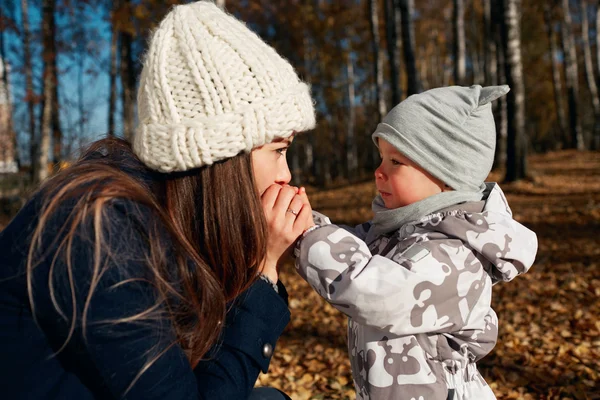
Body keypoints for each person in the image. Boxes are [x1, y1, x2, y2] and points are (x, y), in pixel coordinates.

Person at [0, 2, 316, 399]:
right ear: (224, 156)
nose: (286, 175)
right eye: (278, 150)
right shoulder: (99, 235)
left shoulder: (166, 217)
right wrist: (264, 271)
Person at [293, 85, 538, 399]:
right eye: (381, 157)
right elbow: (352, 246)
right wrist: (302, 220)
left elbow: (377, 291)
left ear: (446, 174)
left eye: (396, 161)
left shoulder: (457, 255)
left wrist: (307, 236)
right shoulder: (401, 234)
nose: (378, 171)